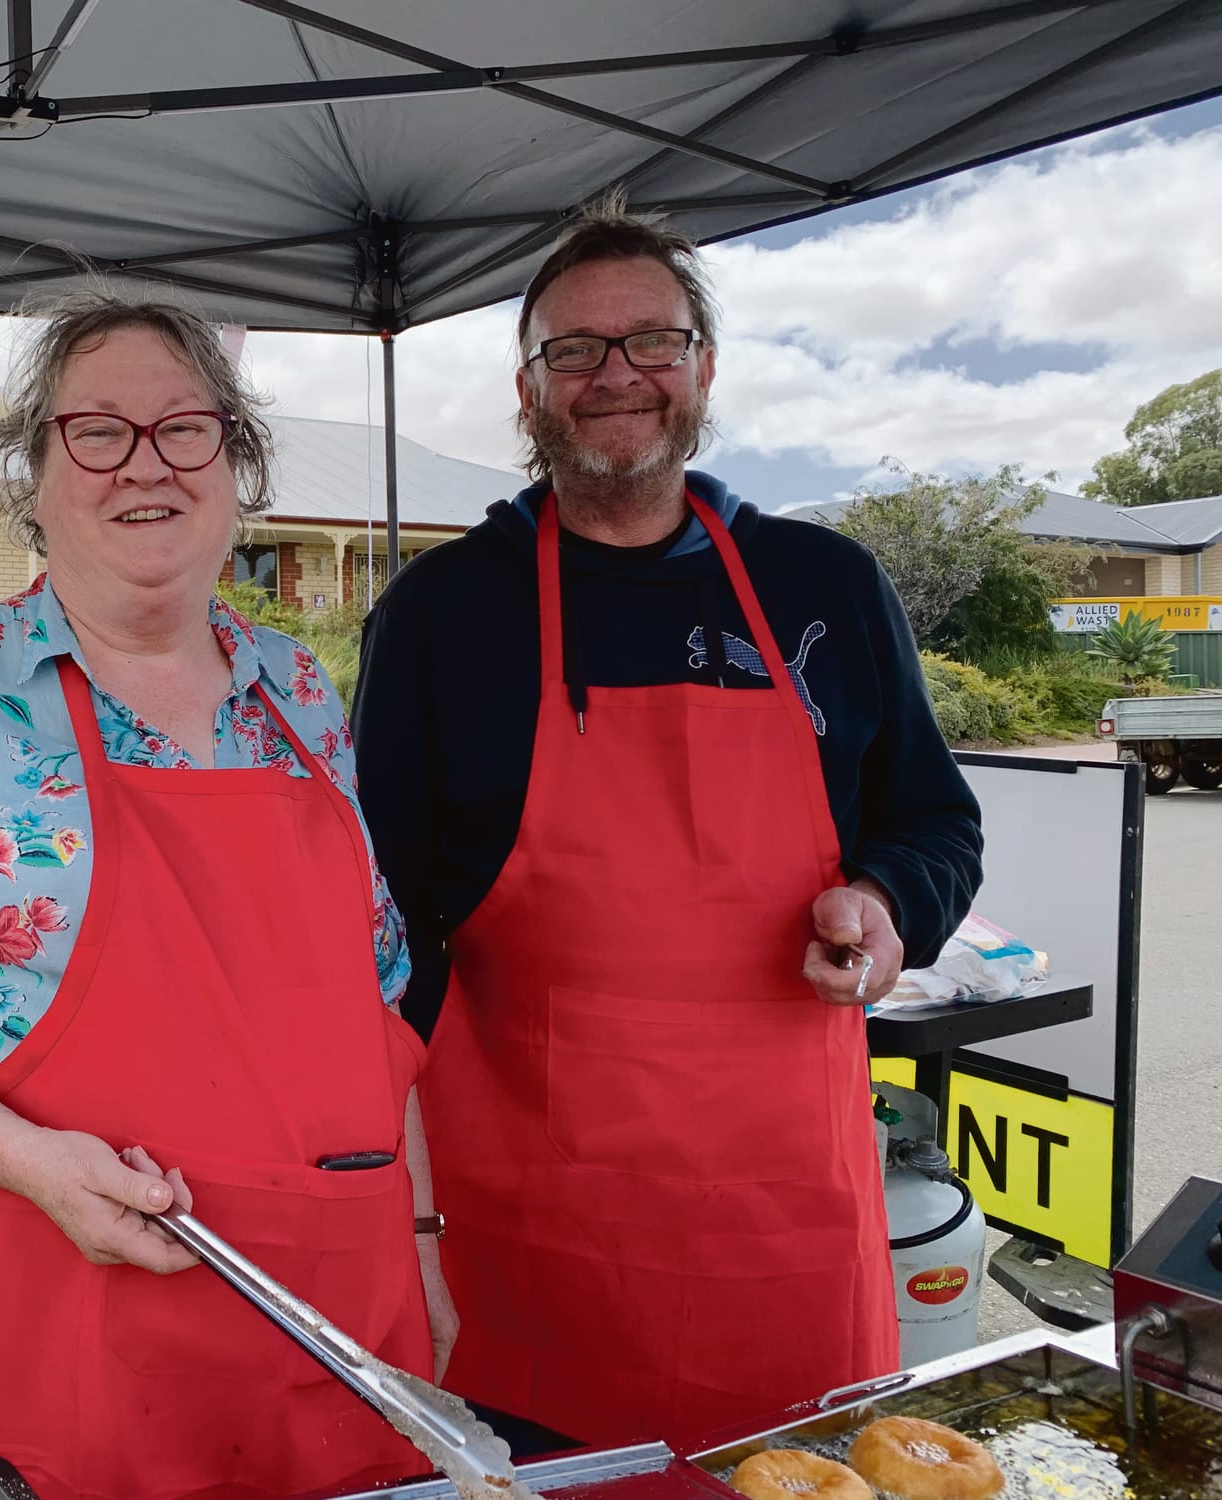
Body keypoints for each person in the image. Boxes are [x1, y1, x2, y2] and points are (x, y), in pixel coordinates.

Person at [0, 290, 457, 1500]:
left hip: (336, 1309)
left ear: (237, 465)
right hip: (57, 1310)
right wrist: (22, 1159)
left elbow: (375, 1005)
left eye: (187, 429)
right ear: (33, 468)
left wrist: (425, 1250)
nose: (147, 464)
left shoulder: (297, 688)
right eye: (98, 431)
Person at [352, 195, 983, 1451]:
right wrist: (390, 1206)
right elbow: (377, 923)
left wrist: (883, 904)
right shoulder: (439, 615)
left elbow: (930, 821)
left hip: (779, 1212)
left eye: (650, 340)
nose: (614, 375)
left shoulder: (825, 587)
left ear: (702, 367)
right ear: (526, 390)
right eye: (572, 350)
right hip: (532, 1218)